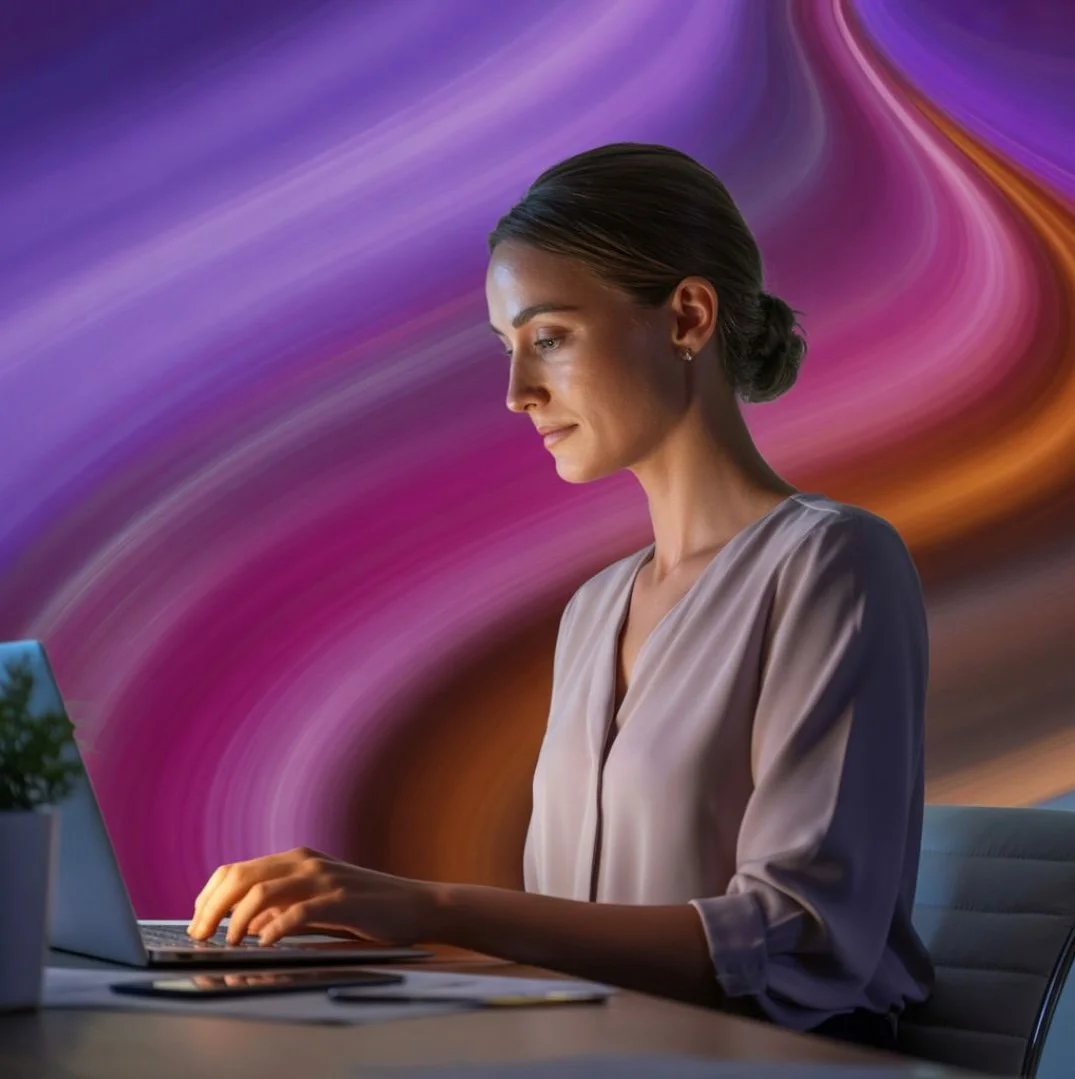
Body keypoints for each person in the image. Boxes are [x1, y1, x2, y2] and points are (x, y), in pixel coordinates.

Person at [188, 143, 934, 1050]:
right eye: (508, 349)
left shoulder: (833, 562)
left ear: (687, 317)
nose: (515, 392)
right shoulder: (593, 610)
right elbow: (571, 938)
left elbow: (794, 936)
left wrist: (430, 905)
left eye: (548, 337)